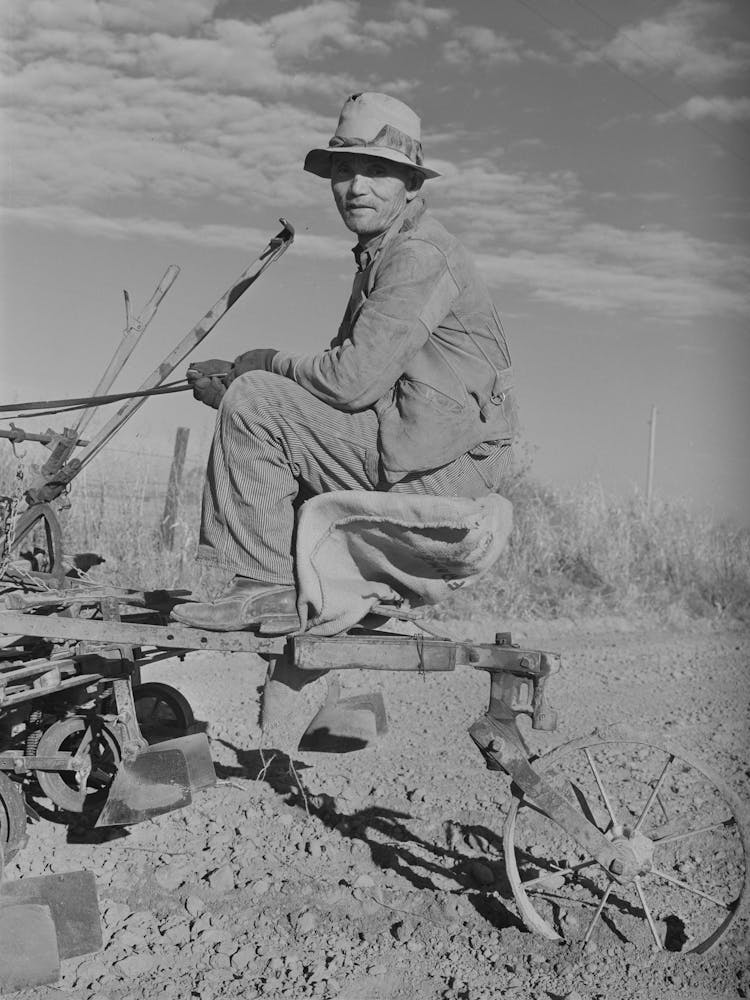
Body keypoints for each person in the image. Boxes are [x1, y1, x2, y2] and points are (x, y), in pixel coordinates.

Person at [172, 92, 518, 634]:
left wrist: (259, 369)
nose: (357, 187)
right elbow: (345, 386)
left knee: (258, 403)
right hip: (424, 451)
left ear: (413, 184)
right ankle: (296, 615)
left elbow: (351, 382)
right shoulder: (385, 251)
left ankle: (262, 588)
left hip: (445, 469)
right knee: (256, 399)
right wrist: (240, 378)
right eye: (344, 169)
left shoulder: (418, 255)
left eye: (378, 171)